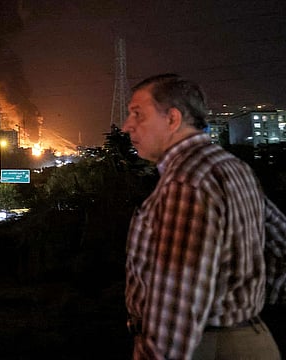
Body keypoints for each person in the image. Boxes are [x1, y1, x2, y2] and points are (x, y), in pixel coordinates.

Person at [122, 73, 285, 359]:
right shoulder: (231, 165)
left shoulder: (185, 182)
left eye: (138, 115)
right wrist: (245, 303)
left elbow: (176, 307)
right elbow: (280, 246)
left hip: (203, 346)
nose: (127, 126)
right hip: (253, 338)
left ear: (172, 119)